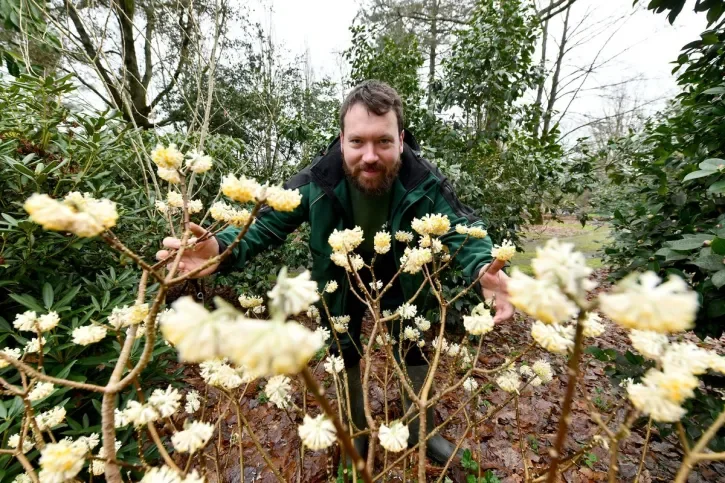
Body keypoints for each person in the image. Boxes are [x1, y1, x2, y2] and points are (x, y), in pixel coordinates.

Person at [156, 80, 514, 465]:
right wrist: (222, 246)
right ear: (341, 139)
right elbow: (263, 222)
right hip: (339, 282)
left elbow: (462, 225)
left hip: (402, 278)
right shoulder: (317, 179)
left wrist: (482, 267)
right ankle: (355, 432)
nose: (370, 156)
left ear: (402, 139)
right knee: (343, 351)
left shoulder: (422, 177)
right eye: (358, 142)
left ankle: (418, 427)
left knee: (412, 345)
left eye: (384, 142)